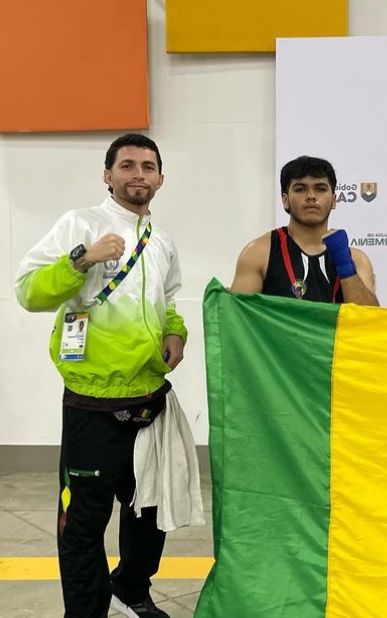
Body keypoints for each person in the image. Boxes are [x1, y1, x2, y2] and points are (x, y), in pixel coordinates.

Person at [15, 134, 191, 618]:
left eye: (148, 167)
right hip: (92, 404)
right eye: (127, 165)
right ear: (107, 175)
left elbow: (168, 301)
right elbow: (28, 291)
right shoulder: (80, 224)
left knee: (149, 514)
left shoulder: (162, 241)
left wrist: (175, 332)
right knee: (83, 525)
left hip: (150, 400)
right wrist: (82, 259)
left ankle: (131, 589)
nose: (138, 174)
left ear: (160, 178)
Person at [230, 155, 378, 306]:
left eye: (320, 189)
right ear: (285, 200)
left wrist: (345, 265)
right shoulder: (259, 254)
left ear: (334, 201)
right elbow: (237, 315)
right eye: (300, 189)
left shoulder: (357, 259)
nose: (311, 196)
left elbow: (370, 318)